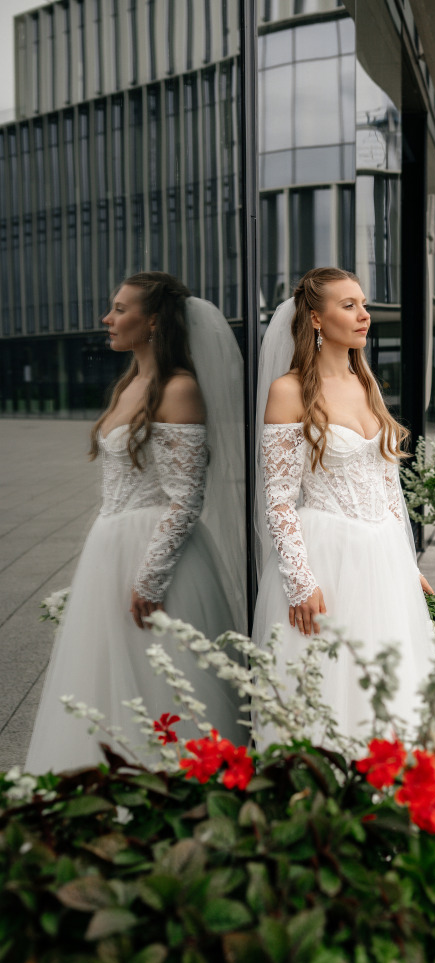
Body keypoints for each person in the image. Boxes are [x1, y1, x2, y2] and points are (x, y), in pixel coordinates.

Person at [25, 272, 247, 774]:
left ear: (152, 322)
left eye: (120, 309)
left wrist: (151, 576)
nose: (108, 318)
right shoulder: (132, 382)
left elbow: (186, 497)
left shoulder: (179, 388)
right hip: (110, 545)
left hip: (154, 555)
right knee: (102, 675)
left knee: (160, 676)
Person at [252, 267, 435, 748]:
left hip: (380, 557)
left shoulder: (365, 383)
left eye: (364, 304)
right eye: (348, 305)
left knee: (387, 682)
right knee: (329, 684)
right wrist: (299, 579)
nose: (363, 315)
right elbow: (278, 498)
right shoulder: (288, 391)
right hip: (325, 558)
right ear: (316, 318)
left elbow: (385, 485)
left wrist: (405, 561)